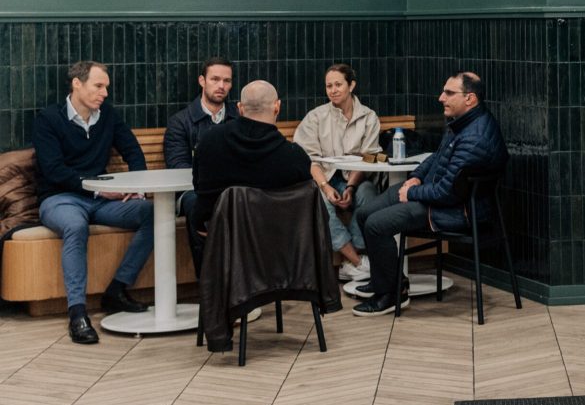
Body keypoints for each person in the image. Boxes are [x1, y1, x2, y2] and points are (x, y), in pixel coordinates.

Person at [352, 71, 507, 316]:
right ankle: (390, 279)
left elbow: (447, 193)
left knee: (376, 225)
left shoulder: (475, 138)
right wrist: (415, 177)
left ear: (470, 99)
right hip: (434, 196)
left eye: (449, 93)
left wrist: (413, 193)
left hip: (455, 210)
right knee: (364, 214)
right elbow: (437, 157)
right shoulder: (461, 123)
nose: (441, 98)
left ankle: (390, 295)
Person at [33, 61, 152, 345]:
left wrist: (137, 187)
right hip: (61, 199)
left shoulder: (107, 115)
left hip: (102, 201)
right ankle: (77, 313)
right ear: (77, 83)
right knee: (76, 226)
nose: (105, 93)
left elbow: (133, 151)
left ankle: (117, 290)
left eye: (106, 87)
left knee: (154, 212)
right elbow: (54, 171)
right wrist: (98, 190)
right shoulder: (48, 118)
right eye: (98, 86)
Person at [294, 64, 382, 282]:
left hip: (354, 178)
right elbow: (309, 160)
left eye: (338, 85)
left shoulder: (368, 117)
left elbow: (368, 158)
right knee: (319, 201)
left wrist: (351, 187)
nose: (333, 90)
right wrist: (325, 187)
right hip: (322, 180)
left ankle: (353, 259)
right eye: (329, 86)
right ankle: (357, 261)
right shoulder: (316, 117)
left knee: (368, 193)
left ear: (351, 85)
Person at [190, 80, 313, 233]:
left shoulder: (209, 141)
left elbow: (197, 186)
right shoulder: (295, 157)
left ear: (240, 108)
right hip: (276, 239)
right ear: (277, 107)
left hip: (219, 236)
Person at [166, 57, 237, 252]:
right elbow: (178, 167)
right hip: (192, 190)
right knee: (199, 204)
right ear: (202, 81)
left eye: (227, 81)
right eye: (215, 79)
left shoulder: (238, 118)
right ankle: (207, 270)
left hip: (234, 188)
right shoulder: (180, 122)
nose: (221, 86)